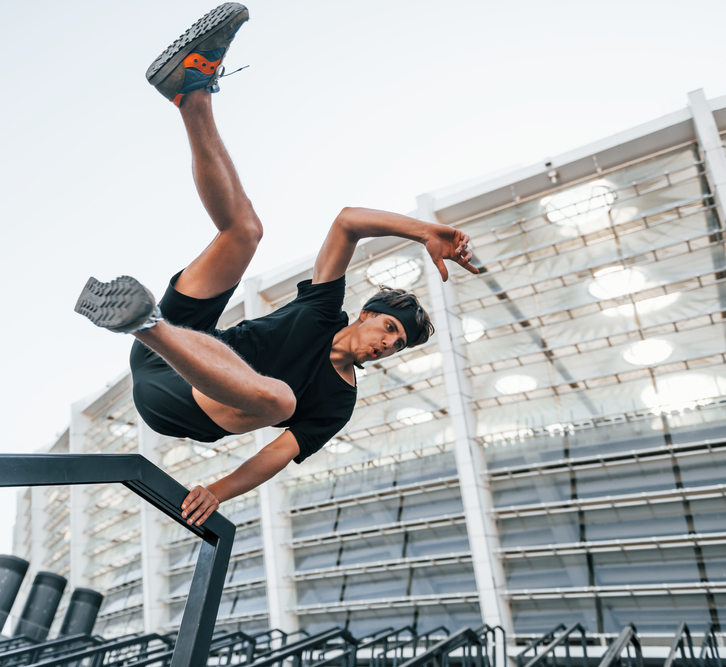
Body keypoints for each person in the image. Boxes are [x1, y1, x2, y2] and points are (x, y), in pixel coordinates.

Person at [75, 2, 478, 528]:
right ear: (363, 315)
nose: (387, 343)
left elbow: (276, 454)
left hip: (183, 403)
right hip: (180, 345)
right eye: (389, 327)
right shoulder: (322, 310)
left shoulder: (337, 402)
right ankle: (190, 91)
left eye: (397, 345)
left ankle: (144, 323)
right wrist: (422, 229)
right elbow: (348, 221)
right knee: (245, 233)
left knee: (281, 401)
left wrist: (218, 490)